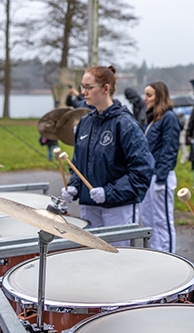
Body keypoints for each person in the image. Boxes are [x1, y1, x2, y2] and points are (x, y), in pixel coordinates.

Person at [61, 65, 155, 246]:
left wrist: (109, 192)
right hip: (89, 205)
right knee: (94, 256)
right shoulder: (85, 123)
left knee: (118, 261)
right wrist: (74, 186)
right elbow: (78, 165)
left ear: (105, 89)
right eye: (82, 87)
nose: (83, 92)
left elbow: (142, 172)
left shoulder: (125, 124)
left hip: (118, 207)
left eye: (89, 87)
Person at [140, 81, 181, 253]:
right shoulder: (152, 119)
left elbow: (170, 149)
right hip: (150, 176)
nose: (145, 98)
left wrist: (161, 178)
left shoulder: (169, 118)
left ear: (160, 96)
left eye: (149, 95)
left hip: (161, 177)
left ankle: (170, 256)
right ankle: (157, 254)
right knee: (149, 219)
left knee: (162, 220)